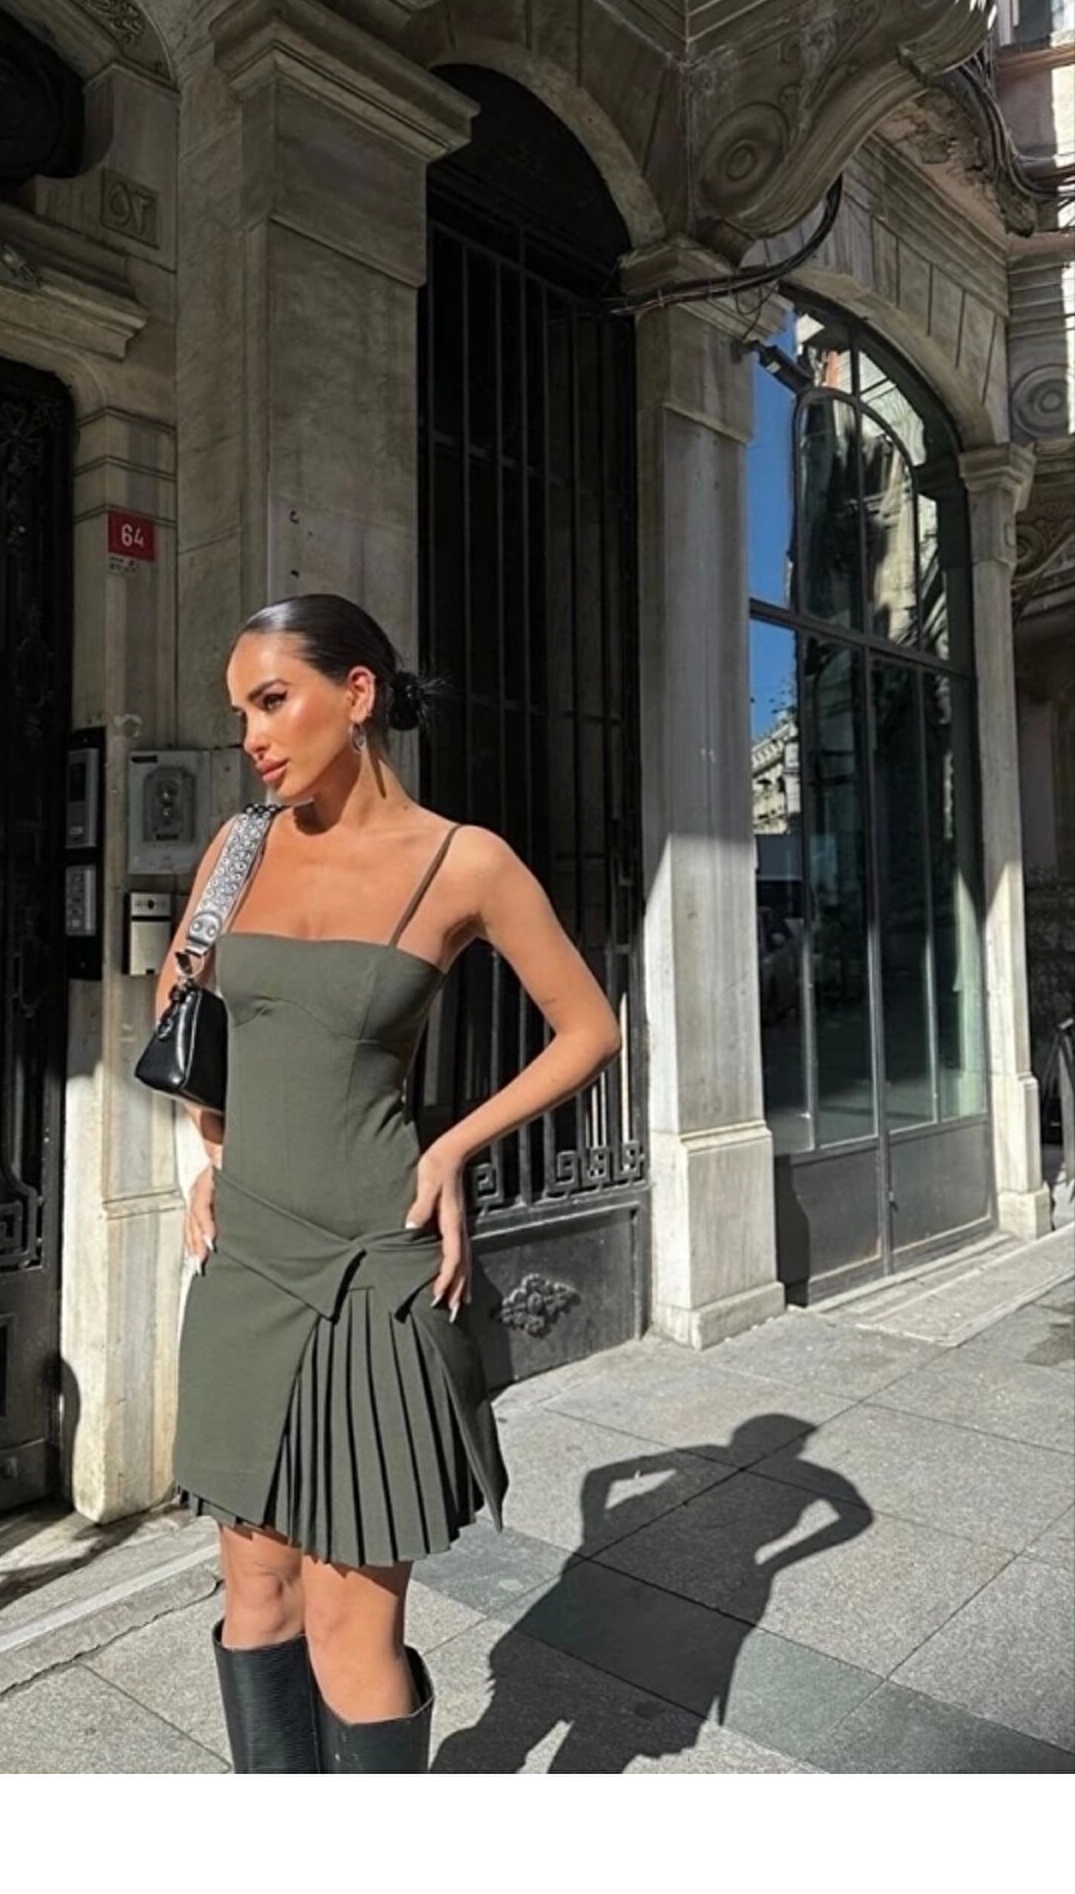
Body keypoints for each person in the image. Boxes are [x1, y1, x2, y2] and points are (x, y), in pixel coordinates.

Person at [153, 593, 622, 1773]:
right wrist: (209, 1150)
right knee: (255, 1591)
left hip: (376, 1260)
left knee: (349, 1628)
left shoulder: (465, 861)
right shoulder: (240, 846)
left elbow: (587, 1030)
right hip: (247, 1257)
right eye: (241, 712)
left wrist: (451, 1147)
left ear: (356, 693)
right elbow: (178, 1003)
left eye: (273, 700)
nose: (253, 736)